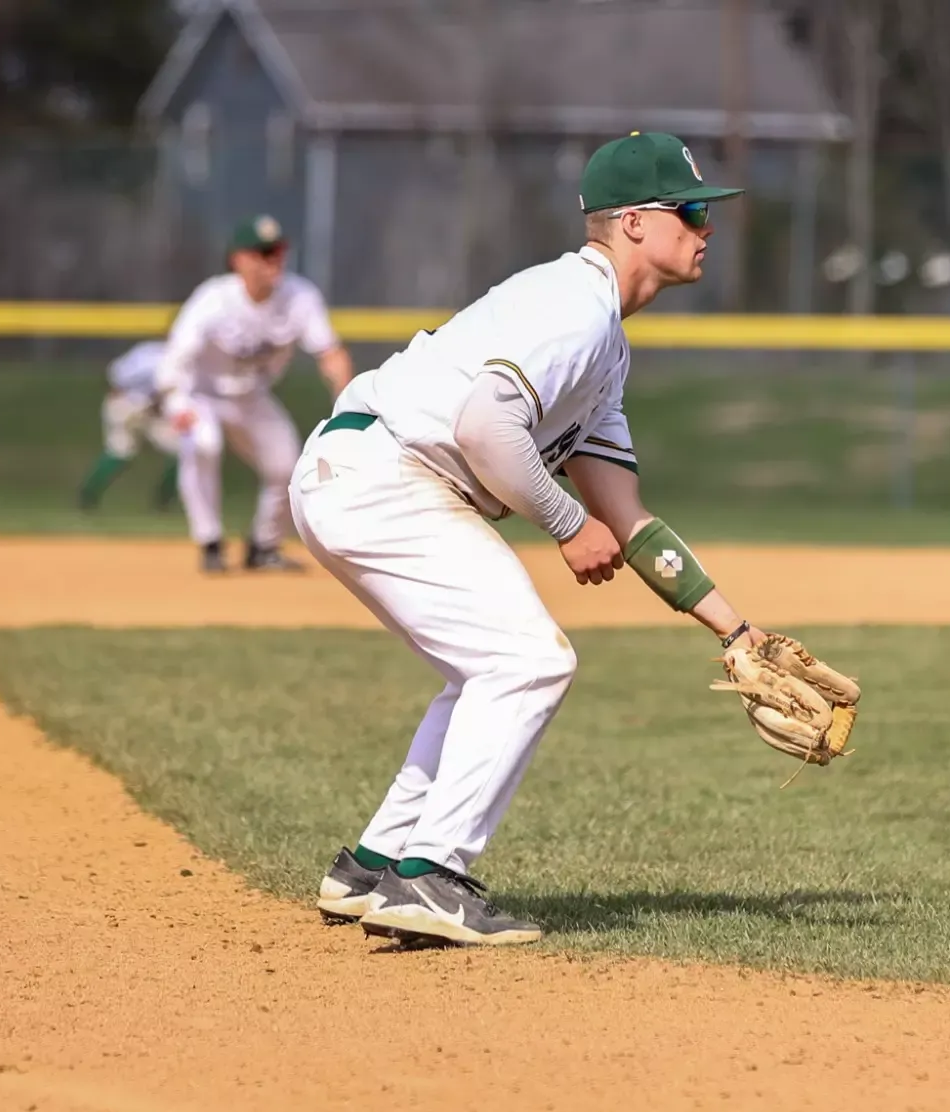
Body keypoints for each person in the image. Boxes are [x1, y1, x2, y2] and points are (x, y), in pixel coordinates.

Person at [295, 131, 769, 947]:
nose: (706, 228)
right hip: (385, 471)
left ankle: (374, 865)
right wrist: (562, 522)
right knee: (529, 660)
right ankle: (430, 878)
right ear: (630, 224)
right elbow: (486, 425)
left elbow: (627, 516)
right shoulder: (573, 307)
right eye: (689, 210)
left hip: (363, 473)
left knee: (485, 669)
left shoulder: (603, 348)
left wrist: (737, 629)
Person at [155, 214, 355, 573]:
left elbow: (330, 353)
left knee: (287, 465)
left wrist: (345, 400)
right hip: (203, 395)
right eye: (263, 253)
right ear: (239, 260)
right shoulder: (213, 299)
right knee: (204, 443)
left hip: (251, 397)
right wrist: (175, 401)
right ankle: (210, 541)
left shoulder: (300, 296)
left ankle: (263, 546)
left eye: (278, 251)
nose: (273, 260)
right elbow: (177, 356)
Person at [76, 339, 182, 513]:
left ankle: (86, 496)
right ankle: (164, 501)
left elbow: (113, 374)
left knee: (119, 452)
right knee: (182, 450)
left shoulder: (147, 349)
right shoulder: (172, 357)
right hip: (138, 407)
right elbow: (162, 391)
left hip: (122, 403)